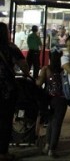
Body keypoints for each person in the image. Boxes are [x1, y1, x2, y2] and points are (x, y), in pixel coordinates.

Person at [0, 22, 29, 161]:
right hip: (7, 91)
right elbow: (25, 68)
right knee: (5, 121)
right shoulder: (11, 48)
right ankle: (3, 153)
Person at [37, 47, 68, 157]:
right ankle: (52, 149)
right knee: (57, 124)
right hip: (61, 99)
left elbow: (38, 84)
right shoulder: (64, 69)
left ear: (49, 57)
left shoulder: (46, 69)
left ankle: (47, 146)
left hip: (48, 99)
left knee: (50, 123)